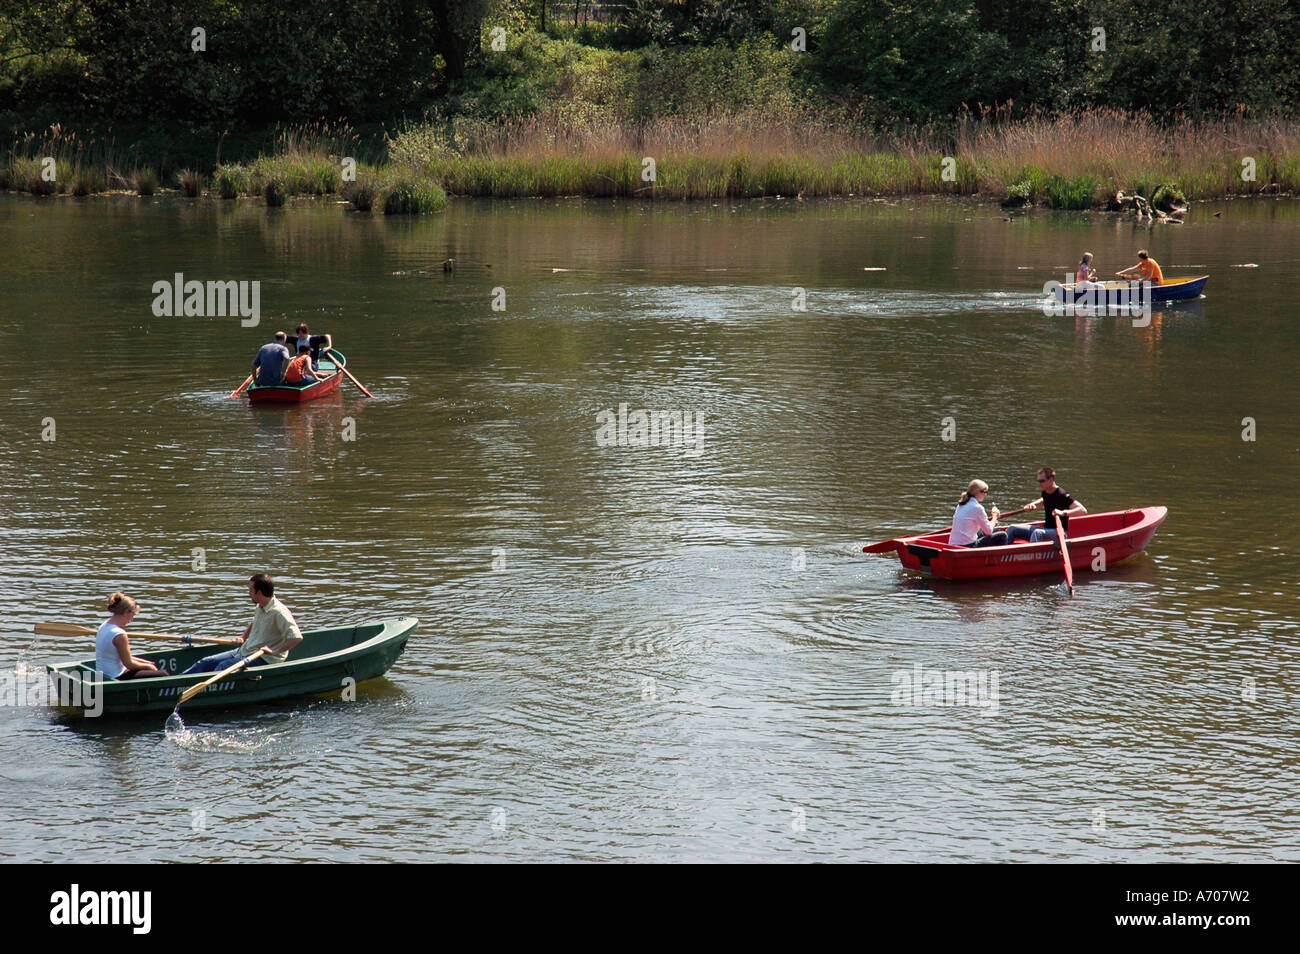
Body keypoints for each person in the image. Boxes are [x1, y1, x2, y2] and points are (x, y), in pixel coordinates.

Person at [182, 574, 303, 674]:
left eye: (251, 590)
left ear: (259, 593)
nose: (248, 592)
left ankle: (203, 695)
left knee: (223, 667)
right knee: (205, 662)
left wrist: (274, 651)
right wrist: (243, 637)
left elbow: (296, 637)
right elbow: (254, 622)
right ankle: (176, 682)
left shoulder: (279, 612)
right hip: (246, 649)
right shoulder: (260, 606)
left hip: (263, 658)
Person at [1004, 467, 1088, 545]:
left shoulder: (1062, 494)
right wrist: (1033, 504)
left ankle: (1034, 557)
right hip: (1046, 529)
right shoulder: (1045, 492)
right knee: (1012, 529)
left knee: (1037, 533)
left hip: (1059, 533)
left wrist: (1063, 513)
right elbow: (1043, 500)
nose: (1039, 484)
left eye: (1042, 481)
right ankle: (1001, 554)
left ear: (1050, 480)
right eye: (1038, 481)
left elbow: (1083, 510)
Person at [95, 593, 169, 679]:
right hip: (116, 676)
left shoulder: (104, 626)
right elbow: (128, 664)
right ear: (126, 612)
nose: (132, 619)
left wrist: (144, 662)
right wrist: (148, 667)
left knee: (148, 666)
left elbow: (119, 657)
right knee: (163, 674)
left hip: (104, 675)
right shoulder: (119, 634)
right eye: (133, 614)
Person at [948, 479, 1008, 548]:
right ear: (976, 492)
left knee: (982, 531)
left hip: (953, 544)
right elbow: (988, 531)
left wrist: (991, 523)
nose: (985, 494)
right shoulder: (977, 508)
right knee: (1002, 536)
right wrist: (994, 517)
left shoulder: (961, 504)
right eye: (984, 492)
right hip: (967, 546)